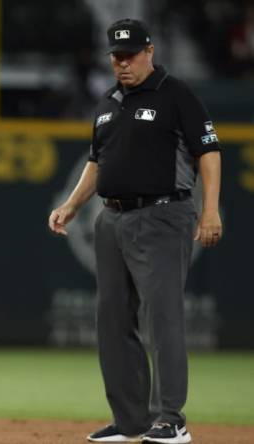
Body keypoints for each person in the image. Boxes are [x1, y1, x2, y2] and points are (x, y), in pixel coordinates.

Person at [48, 19, 222, 444]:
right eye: (116, 56)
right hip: (111, 220)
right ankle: (131, 421)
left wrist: (210, 211)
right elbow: (97, 161)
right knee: (111, 320)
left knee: (162, 318)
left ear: (149, 51)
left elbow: (209, 151)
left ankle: (171, 418)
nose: (122, 63)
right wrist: (72, 205)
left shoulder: (175, 93)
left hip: (163, 216)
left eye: (130, 55)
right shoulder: (108, 101)